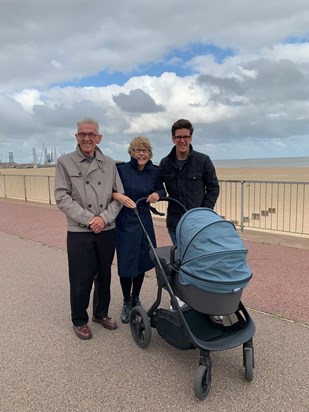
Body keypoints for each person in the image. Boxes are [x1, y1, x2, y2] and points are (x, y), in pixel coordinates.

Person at [54, 117, 124, 340]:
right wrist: (90, 219)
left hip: (106, 228)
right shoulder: (65, 162)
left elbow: (119, 197)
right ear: (76, 137)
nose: (87, 138)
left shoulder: (110, 163)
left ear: (99, 138)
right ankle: (79, 319)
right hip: (79, 230)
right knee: (81, 277)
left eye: (91, 134)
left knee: (104, 275)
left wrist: (103, 219)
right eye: (83, 134)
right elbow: (62, 197)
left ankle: (100, 313)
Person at [113, 136, 166, 323]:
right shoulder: (121, 170)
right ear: (131, 152)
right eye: (137, 150)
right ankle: (127, 301)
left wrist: (156, 195)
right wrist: (118, 195)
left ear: (149, 152)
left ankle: (136, 297)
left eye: (144, 150)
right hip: (125, 221)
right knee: (127, 263)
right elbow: (110, 189)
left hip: (144, 219)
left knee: (142, 262)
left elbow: (162, 190)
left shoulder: (155, 171)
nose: (141, 153)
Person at [159, 118, 220, 244]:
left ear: (191, 138)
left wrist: (204, 212)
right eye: (178, 137)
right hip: (175, 223)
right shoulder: (165, 163)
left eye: (186, 137)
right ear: (173, 139)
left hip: (199, 223)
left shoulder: (203, 160)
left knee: (199, 259)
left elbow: (213, 188)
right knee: (180, 260)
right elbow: (158, 187)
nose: (182, 140)